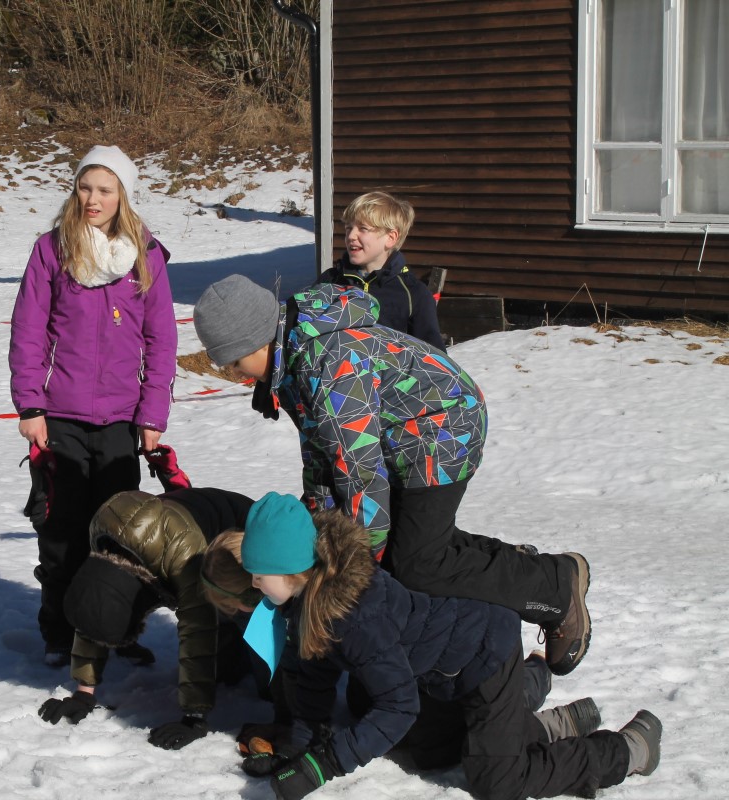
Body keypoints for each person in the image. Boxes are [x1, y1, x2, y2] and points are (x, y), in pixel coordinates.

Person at [192, 275, 591, 677]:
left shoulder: (330, 365)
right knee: (413, 543)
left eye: (236, 362)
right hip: (404, 433)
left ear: (256, 341)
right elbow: (322, 457)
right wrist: (315, 526)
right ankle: (515, 565)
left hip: (443, 426)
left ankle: (553, 589)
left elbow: (360, 476)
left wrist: (353, 567)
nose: (239, 373)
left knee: (418, 562)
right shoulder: (295, 355)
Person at [233, 493, 662, 800]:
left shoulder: (356, 616)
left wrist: (322, 766)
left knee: (498, 783)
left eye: (259, 573)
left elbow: (398, 707)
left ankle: (628, 749)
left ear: (292, 569)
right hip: (442, 675)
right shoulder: (306, 603)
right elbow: (313, 678)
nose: (253, 582)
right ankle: (550, 726)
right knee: (429, 751)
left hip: (485, 656)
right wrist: (296, 750)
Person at [9, 145, 179, 666]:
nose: (92, 199)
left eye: (105, 190)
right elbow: (28, 330)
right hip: (59, 416)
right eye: (85, 187)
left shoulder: (145, 255)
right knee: (61, 531)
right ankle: (59, 634)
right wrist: (29, 405)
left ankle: (115, 630)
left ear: (122, 195)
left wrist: (152, 415)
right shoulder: (51, 250)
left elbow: (162, 337)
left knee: (118, 536)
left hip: (122, 420)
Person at [37, 487, 257, 749]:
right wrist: (84, 693)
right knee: (104, 598)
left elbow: (198, 630)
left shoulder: (184, 560)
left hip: (239, 533)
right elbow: (94, 605)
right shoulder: (105, 539)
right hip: (180, 531)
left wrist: (194, 717)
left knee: (249, 649)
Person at [314, 191, 446, 349]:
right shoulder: (330, 281)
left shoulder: (414, 294)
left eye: (363, 228)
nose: (351, 236)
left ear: (390, 238)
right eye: (349, 228)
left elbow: (434, 360)